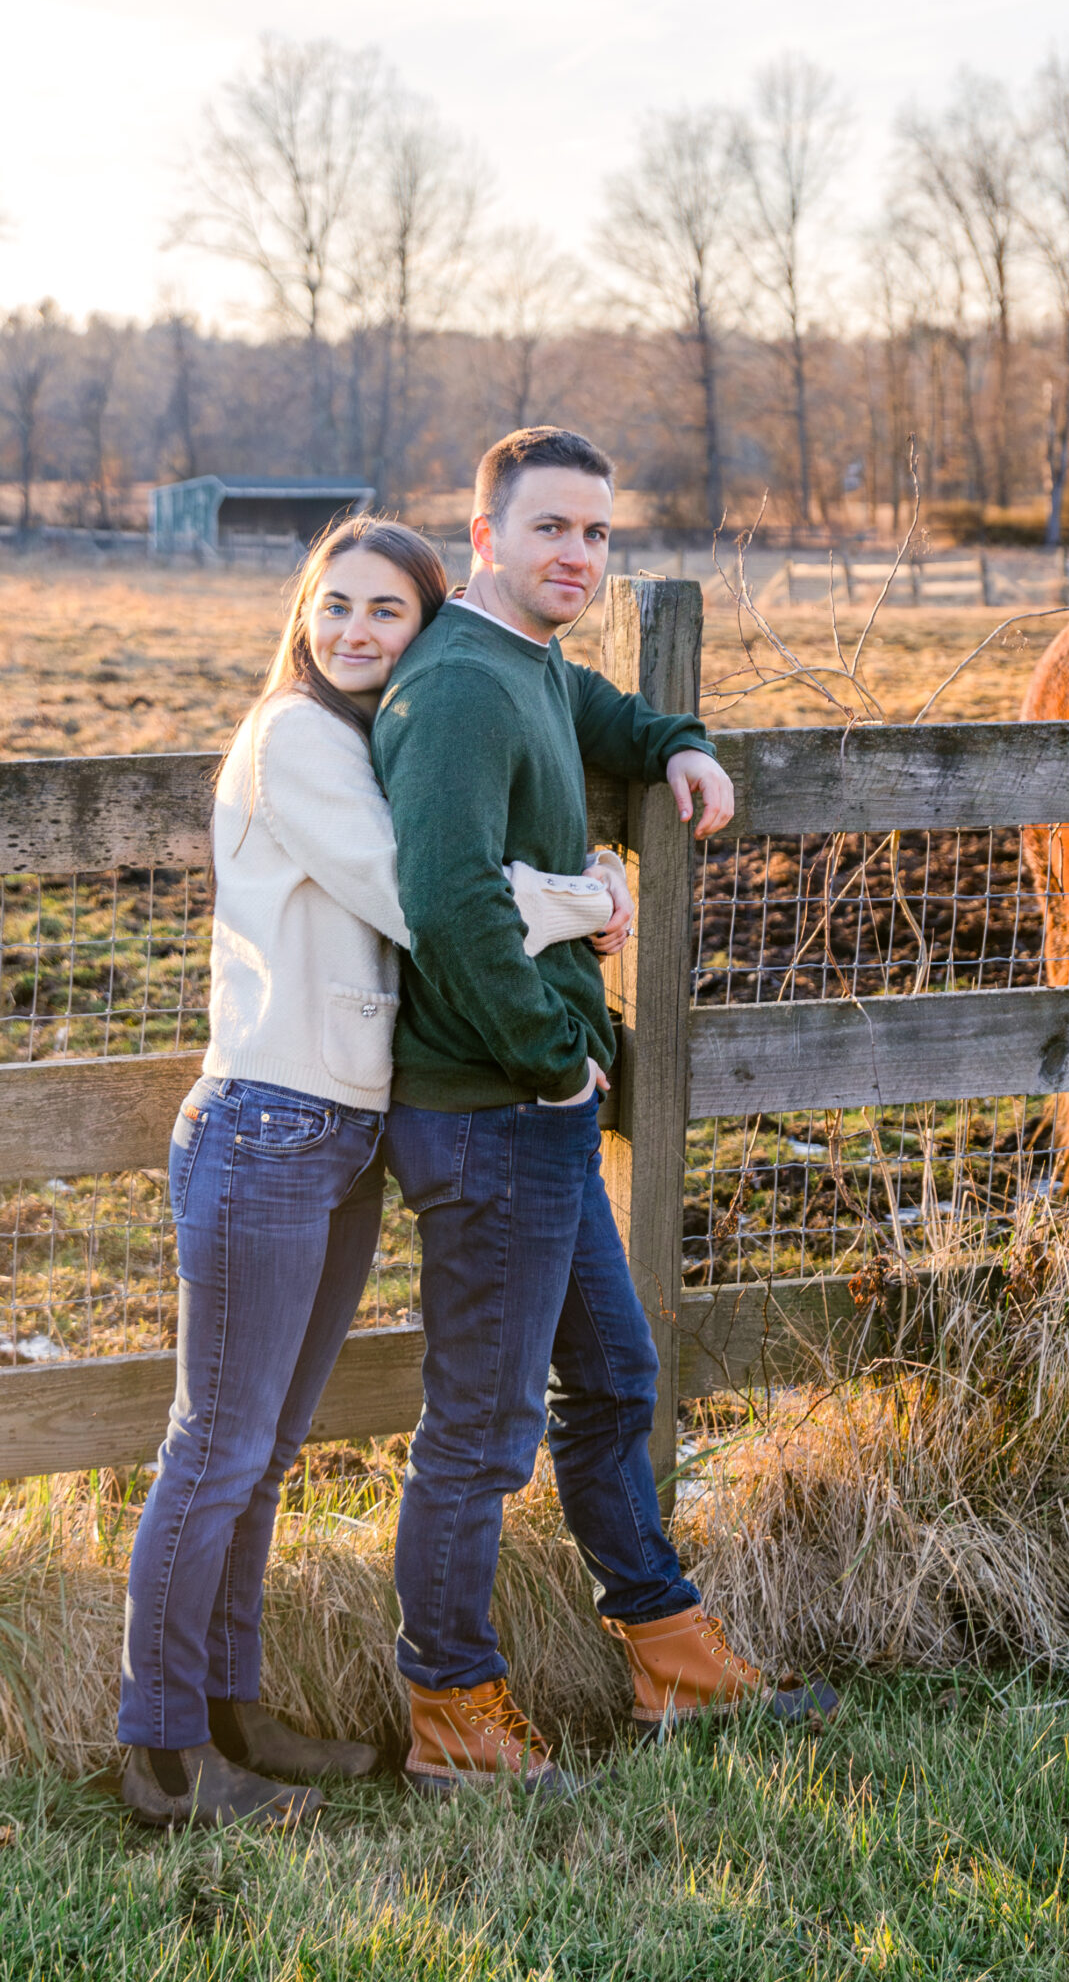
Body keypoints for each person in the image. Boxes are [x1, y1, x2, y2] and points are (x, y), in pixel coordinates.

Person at [117, 516, 601, 1830]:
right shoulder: (295, 737)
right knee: (214, 1444)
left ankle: (238, 1709)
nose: (353, 632)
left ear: (425, 627)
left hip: (336, 1133)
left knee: (263, 1452)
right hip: (267, 1126)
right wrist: (583, 899)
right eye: (335, 605)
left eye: (386, 612)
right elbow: (420, 901)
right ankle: (162, 1751)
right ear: (303, 611)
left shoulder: (365, 738)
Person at [374, 426, 836, 1798]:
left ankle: (672, 1662)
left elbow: (599, 724)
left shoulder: (529, 665)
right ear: (484, 539)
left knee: (617, 1381)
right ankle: (452, 1717)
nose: (577, 555)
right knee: (481, 1429)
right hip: (493, 1108)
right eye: (551, 530)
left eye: (597, 534)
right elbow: (446, 896)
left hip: (538, 1114)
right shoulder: (456, 683)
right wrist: (548, 1055)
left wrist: (680, 742)